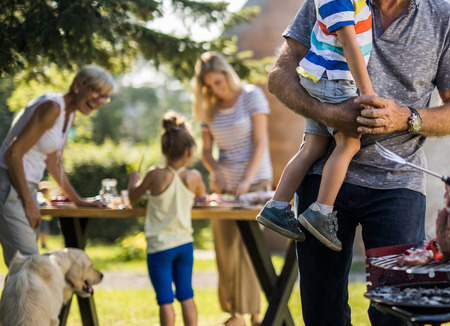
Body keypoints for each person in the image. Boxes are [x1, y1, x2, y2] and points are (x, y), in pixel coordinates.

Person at [267, 0, 450, 325]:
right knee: (322, 314)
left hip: (399, 185)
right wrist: (331, 114)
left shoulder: (445, 19)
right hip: (323, 179)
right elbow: (279, 77)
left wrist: (408, 117)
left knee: (397, 312)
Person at [257, 0, 375, 252]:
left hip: (318, 77)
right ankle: (321, 212)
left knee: (313, 146)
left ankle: (278, 206)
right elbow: (352, 48)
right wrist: (367, 92)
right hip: (335, 79)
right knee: (349, 142)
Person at [0, 65, 112, 266]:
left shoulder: (69, 114)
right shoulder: (52, 107)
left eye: (105, 96)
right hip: (10, 184)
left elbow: (53, 163)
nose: (100, 100)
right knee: (28, 267)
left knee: (24, 270)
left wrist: (78, 200)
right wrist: (28, 202)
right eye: (96, 91)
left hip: (25, 187)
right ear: (78, 85)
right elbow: (13, 154)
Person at [192, 51, 272, 326]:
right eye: (210, 85)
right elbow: (206, 151)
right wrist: (216, 172)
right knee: (225, 250)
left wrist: (246, 181)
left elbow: (260, 142)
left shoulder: (252, 96)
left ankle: (253, 314)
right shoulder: (208, 106)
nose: (216, 89)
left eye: (219, 82)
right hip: (225, 191)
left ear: (227, 75)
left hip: (255, 186)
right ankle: (236, 313)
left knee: (247, 250)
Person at [128, 111, 205, 326]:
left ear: (164, 149)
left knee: (165, 300)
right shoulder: (194, 176)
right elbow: (201, 195)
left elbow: (133, 197)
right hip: (184, 244)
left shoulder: (155, 174)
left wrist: (133, 179)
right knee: (186, 295)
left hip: (159, 247)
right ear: (190, 152)